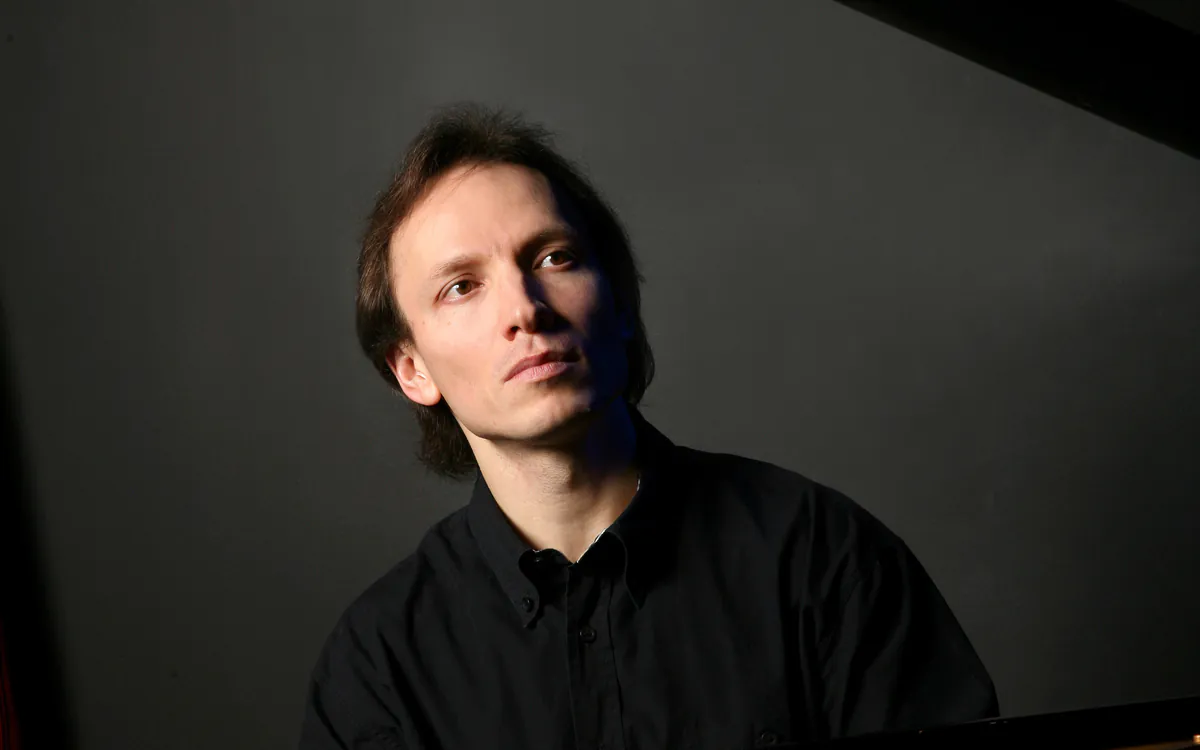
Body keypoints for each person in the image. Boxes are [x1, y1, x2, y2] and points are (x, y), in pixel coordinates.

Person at [298, 103, 998, 749]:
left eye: (554, 258)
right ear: (411, 369)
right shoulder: (380, 663)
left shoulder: (821, 559)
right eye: (462, 286)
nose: (526, 308)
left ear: (621, 303)